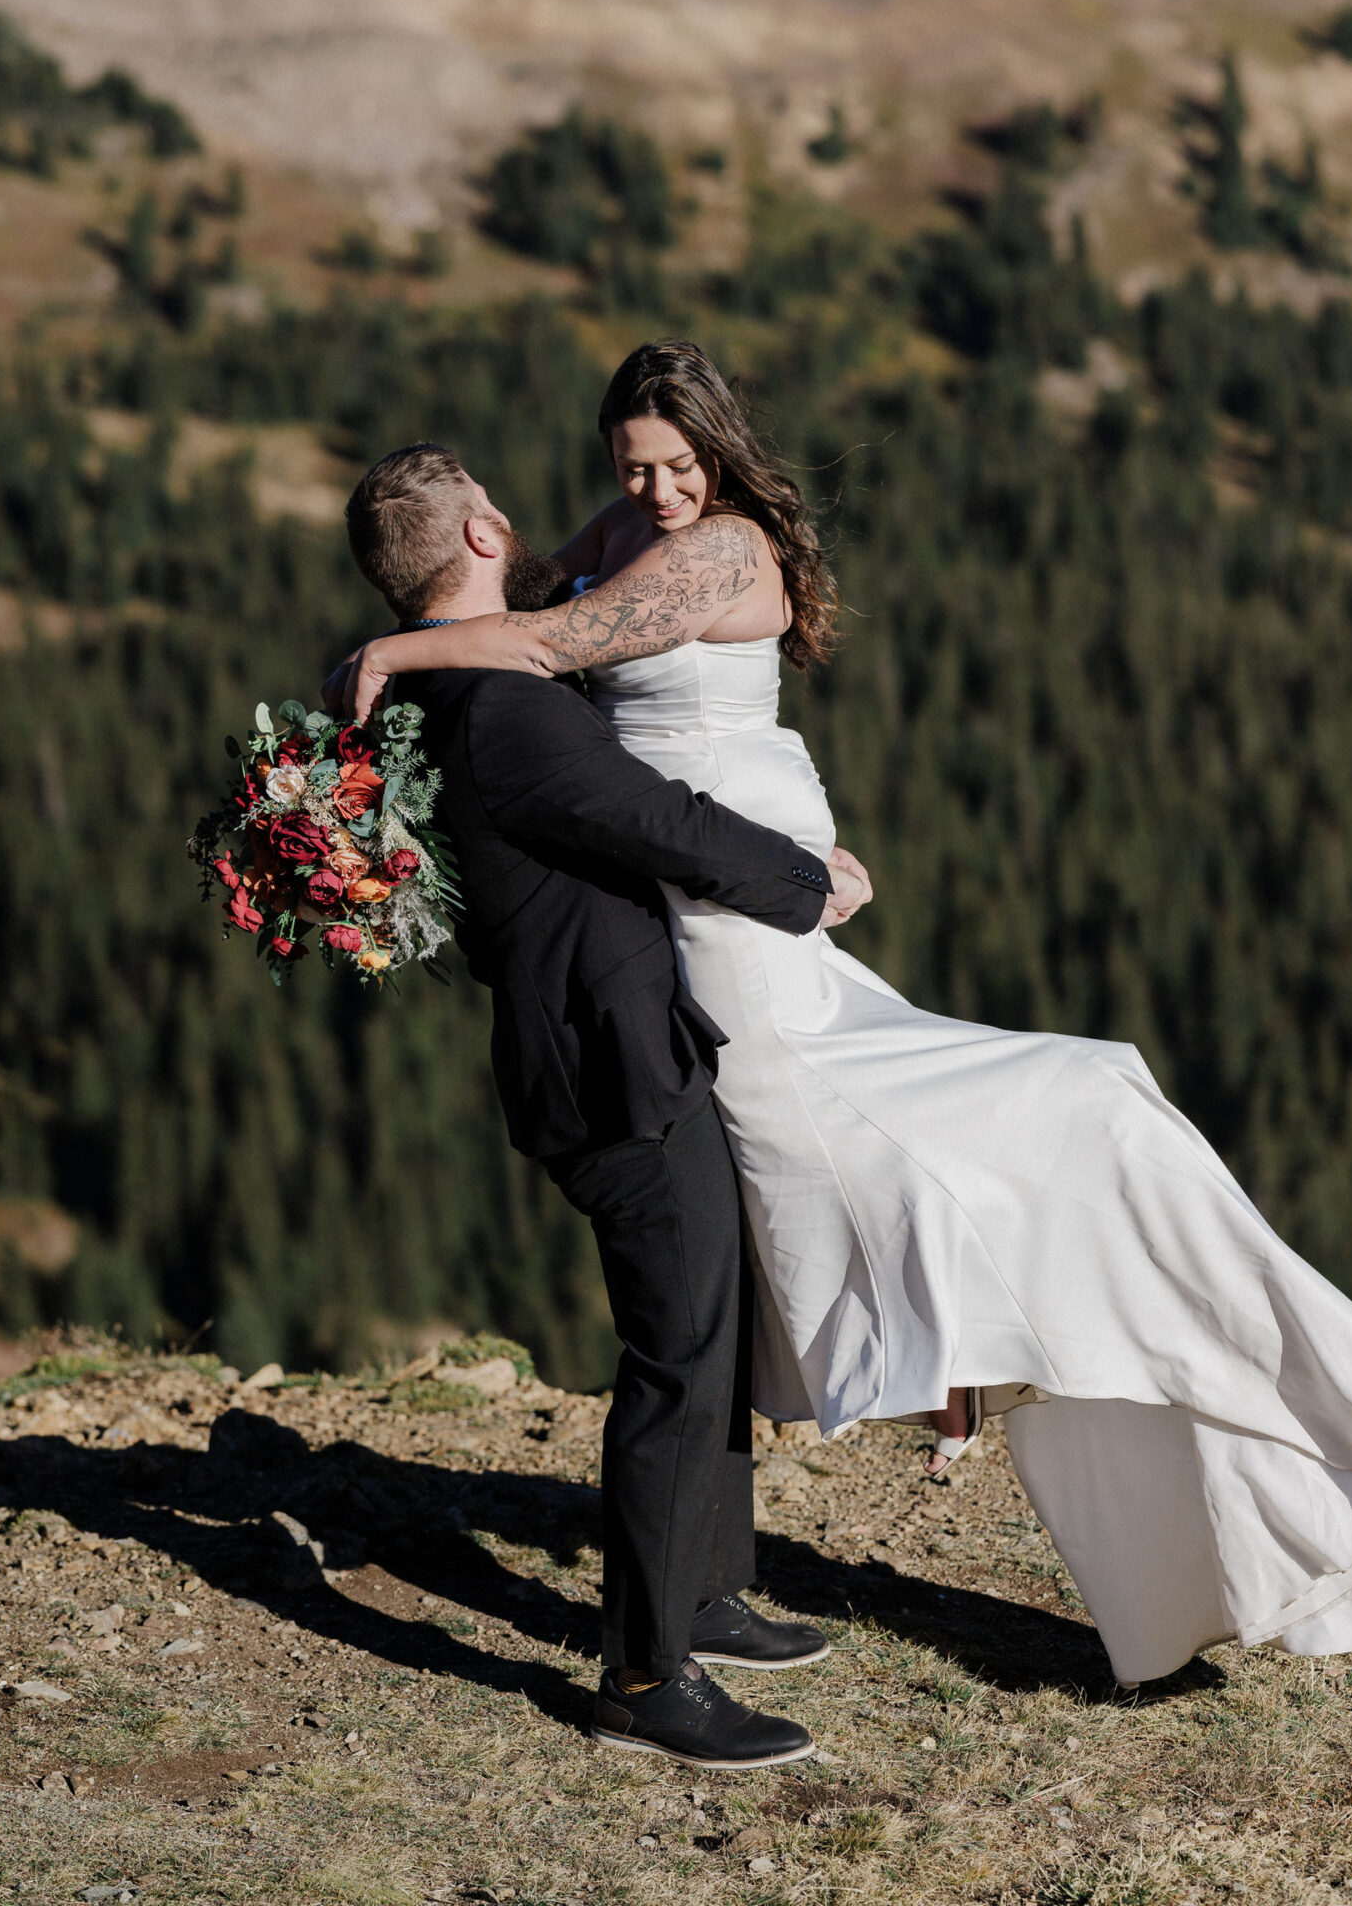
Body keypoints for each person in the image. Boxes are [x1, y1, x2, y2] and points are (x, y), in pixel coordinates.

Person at [333, 347, 1352, 1693]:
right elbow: (525, 601)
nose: (655, 487)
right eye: (631, 465)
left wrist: (385, 650)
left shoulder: (718, 553)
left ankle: (1267, 1417)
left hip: (749, 933)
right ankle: (872, 1431)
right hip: (720, 937)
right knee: (1011, 1150)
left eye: (676, 459)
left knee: (1083, 1115)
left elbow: (543, 638)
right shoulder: (622, 536)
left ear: (719, 443)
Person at [342, 441, 871, 1768]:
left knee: (713, 1319)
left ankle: (703, 1588)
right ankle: (644, 1677)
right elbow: (660, 823)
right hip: (609, 1062)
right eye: (492, 508)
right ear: (477, 540)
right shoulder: (505, 712)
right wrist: (813, 884)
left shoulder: (448, 694)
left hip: (613, 1036)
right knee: (676, 1355)